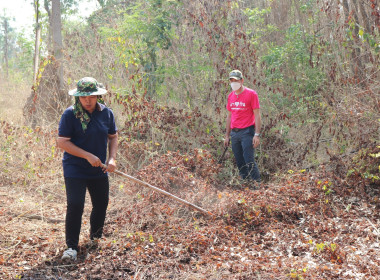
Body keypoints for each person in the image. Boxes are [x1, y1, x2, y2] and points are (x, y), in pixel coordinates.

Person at [57, 77, 118, 262]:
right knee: (76, 204)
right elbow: (62, 142)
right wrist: (87, 155)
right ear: (78, 97)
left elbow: (113, 136)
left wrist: (112, 159)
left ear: (97, 95)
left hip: (99, 169)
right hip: (75, 168)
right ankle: (71, 247)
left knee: (101, 203)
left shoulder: (106, 113)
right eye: (83, 97)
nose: (88, 100)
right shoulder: (70, 115)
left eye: (91, 96)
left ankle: (95, 239)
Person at [224, 69, 261, 185]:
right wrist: (227, 135)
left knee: (249, 159)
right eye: (231, 80)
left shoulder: (251, 94)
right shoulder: (230, 96)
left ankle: (257, 184)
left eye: (236, 80)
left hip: (247, 132)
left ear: (242, 81)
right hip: (234, 133)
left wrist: (257, 134)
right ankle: (245, 183)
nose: (233, 83)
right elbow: (229, 116)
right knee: (239, 160)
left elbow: (257, 115)